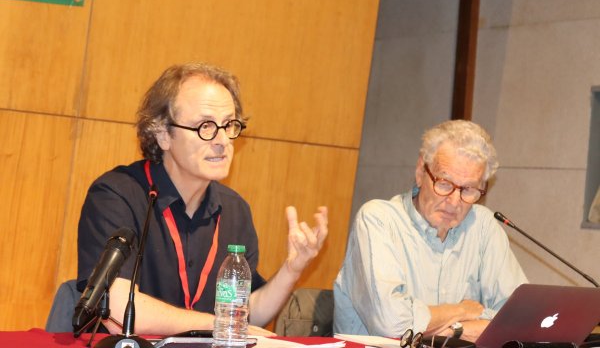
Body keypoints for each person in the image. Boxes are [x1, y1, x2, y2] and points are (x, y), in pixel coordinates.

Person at [77, 62, 328, 336]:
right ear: (163, 134)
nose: (222, 140)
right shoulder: (116, 195)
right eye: (205, 126)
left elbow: (244, 314)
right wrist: (219, 325)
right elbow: (116, 310)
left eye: (229, 125)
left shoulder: (235, 210)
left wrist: (292, 269)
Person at [333, 120, 527, 342]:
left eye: (468, 190)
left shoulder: (483, 227)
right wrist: (462, 310)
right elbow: (393, 324)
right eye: (444, 183)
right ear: (420, 172)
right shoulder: (378, 221)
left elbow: (521, 322)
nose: (454, 201)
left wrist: (450, 331)